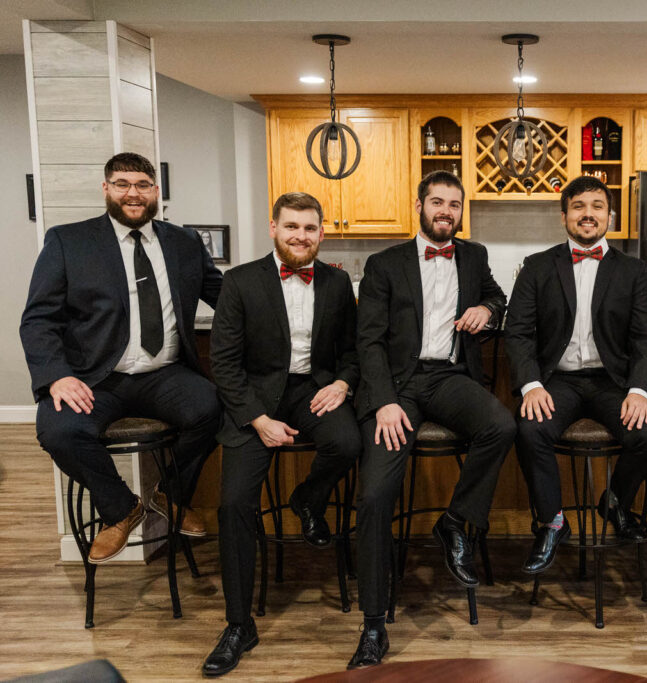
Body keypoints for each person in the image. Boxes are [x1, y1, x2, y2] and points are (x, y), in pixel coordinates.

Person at [348, 170, 516, 669]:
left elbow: (498, 298)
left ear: (462, 211)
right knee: (376, 494)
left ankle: (455, 522)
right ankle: (374, 623)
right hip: (396, 388)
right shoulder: (384, 264)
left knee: (502, 426)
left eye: (454, 204)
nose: (446, 211)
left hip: (449, 377)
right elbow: (368, 340)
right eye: (437, 202)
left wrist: (487, 308)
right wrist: (382, 401)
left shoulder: (474, 255)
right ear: (418, 204)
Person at [20, 152, 222, 564]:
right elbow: (38, 319)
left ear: (156, 191)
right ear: (106, 188)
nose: (133, 193)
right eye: (123, 183)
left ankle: (171, 494)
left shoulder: (184, 242)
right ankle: (121, 508)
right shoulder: (68, 241)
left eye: (143, 185)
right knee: (59, 431)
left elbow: (226, 297)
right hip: (96, 379)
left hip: (164, 374)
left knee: (213, 407)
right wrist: (56, 376)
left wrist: (285, 297)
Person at [202, 192, 361, 676]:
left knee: (348, 442)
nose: (301, 236)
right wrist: (257, 419)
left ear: (321, 233)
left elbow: (355, 350)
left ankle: (309, 501)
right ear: (273, 228)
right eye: (292, 226)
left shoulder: (336, 283)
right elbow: (224, 364)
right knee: (233, 505)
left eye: (310, 228)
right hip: (255, 403)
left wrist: (341, 382)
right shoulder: (240, 281)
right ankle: (237, 624)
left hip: (314, 390)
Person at [505, 175, 647, 574]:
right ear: (564, 217)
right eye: (579, 206)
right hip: (556, 381)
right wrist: (531, 385)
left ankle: (614, 501)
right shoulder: (537, 267)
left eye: (596, 206)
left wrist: (641, 390)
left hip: (614, 382)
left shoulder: (634, 271)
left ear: (609, 216)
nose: (588, 214)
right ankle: (553, 521)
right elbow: (519, 332)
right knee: (529, 430)